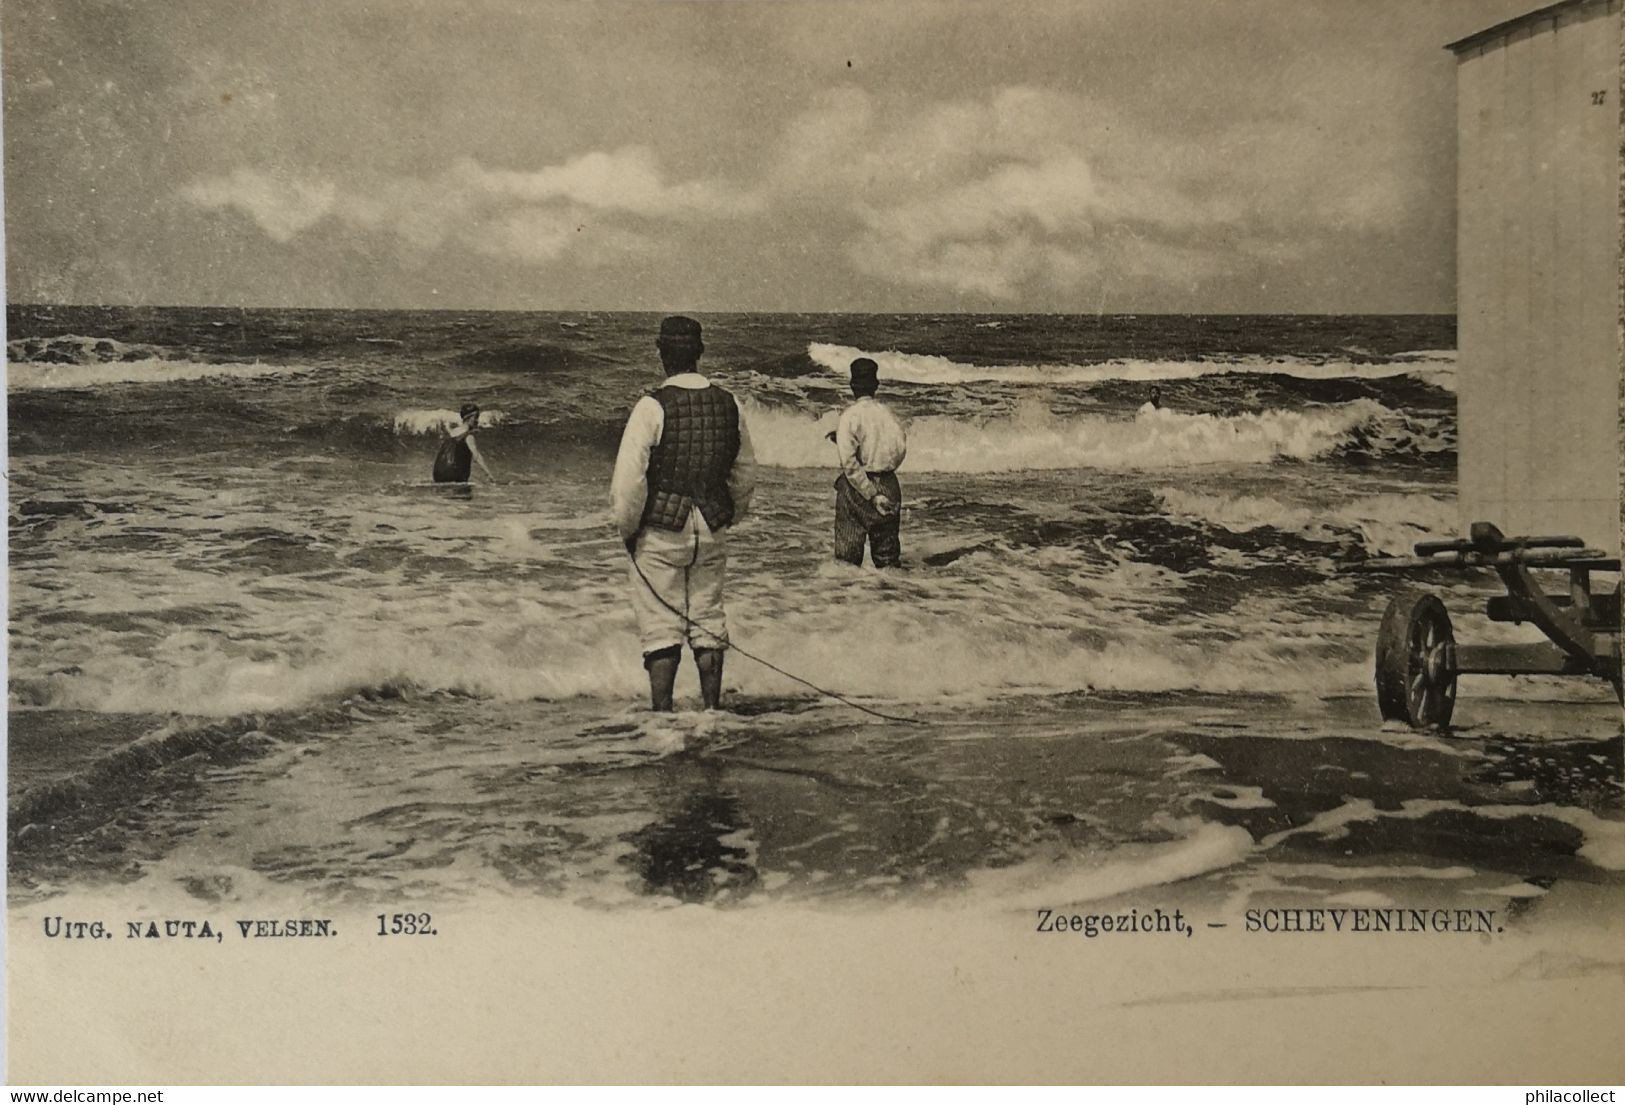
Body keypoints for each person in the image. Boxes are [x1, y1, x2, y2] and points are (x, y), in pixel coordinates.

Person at [610, 316, 756, 712]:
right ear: (700, 352)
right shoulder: (730, 403)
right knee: (708, 618)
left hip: (661, 530)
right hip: (711, 525)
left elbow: (629, 483)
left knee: (660, 625)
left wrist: (628, 529)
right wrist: (730, 515)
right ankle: (711, 712)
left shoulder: (651, 406)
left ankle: (663, 718)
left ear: (661, 352)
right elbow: (744, 473)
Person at [829, 357, 907, 568]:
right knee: (888, 561)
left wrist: (871, 494)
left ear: (852, 385)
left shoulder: (850, 416)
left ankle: (852, 599)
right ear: (876, 385)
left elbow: (849, 463)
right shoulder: (888, 415)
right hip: (890, 485)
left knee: (847, 562)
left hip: (858, 491)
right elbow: (899, 449)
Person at [433, 403, 496, 484]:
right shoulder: (468, 436)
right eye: (476, 417)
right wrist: (489, 474)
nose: (477, 421)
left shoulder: (452, 432)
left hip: (438, 474)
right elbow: (476, 456)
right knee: (464, 495)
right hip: (454, 474)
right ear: (469, 418)